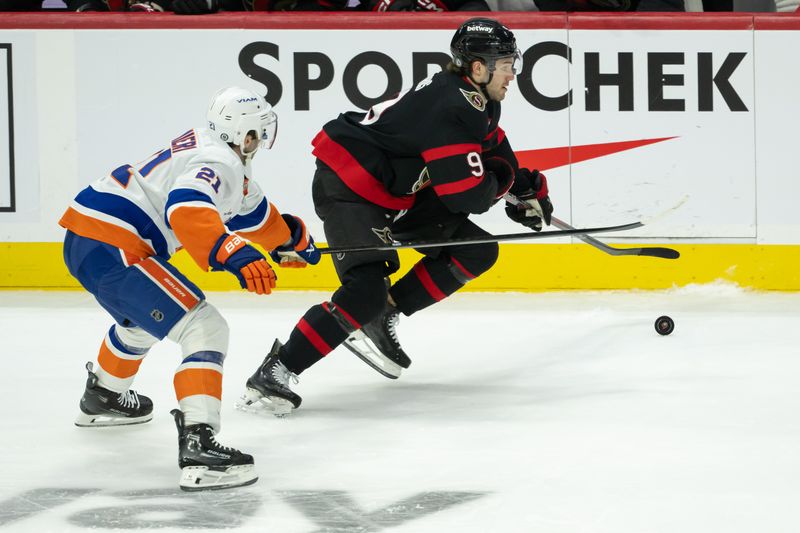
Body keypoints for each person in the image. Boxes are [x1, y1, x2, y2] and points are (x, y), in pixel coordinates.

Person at [238, 18, 553, 417]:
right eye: (506, 63)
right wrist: (509, 186)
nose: (513, 73)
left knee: (476, 251)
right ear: (478, 67)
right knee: (362, 291)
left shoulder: (477, 100)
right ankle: (277, 369)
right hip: (351, 185)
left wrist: (526, 186)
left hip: (398, 189)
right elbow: (466, 195)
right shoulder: (451, 108)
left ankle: (385, 309)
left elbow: (494, 145)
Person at [58, 86, 320, 491]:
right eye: (258, 132)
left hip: (89, 240)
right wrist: (230, 251)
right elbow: (186, 205)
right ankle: (199, 444)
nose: (261, 140)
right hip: (116, 246)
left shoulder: (216, 152)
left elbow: (250, 211)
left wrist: (289, 239)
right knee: (205, 328)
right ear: (245, 135)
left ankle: (104, 397)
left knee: (141, 322)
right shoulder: (219, 160)